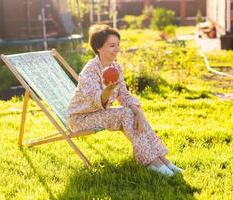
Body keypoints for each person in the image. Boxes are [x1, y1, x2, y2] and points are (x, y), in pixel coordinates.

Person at [67, 24, 183, 177]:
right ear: (99, 48)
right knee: (125, 114)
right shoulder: (89, 71)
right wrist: (108, 90)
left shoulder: (116, 68)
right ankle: (151, 163)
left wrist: (139, 113)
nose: (117, 49)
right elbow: (94, 100)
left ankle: (163, 160)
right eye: (112, 45)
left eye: (118, 44)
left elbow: (124, 95)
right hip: (81, 118)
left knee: (133, 113)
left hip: (99, 115)